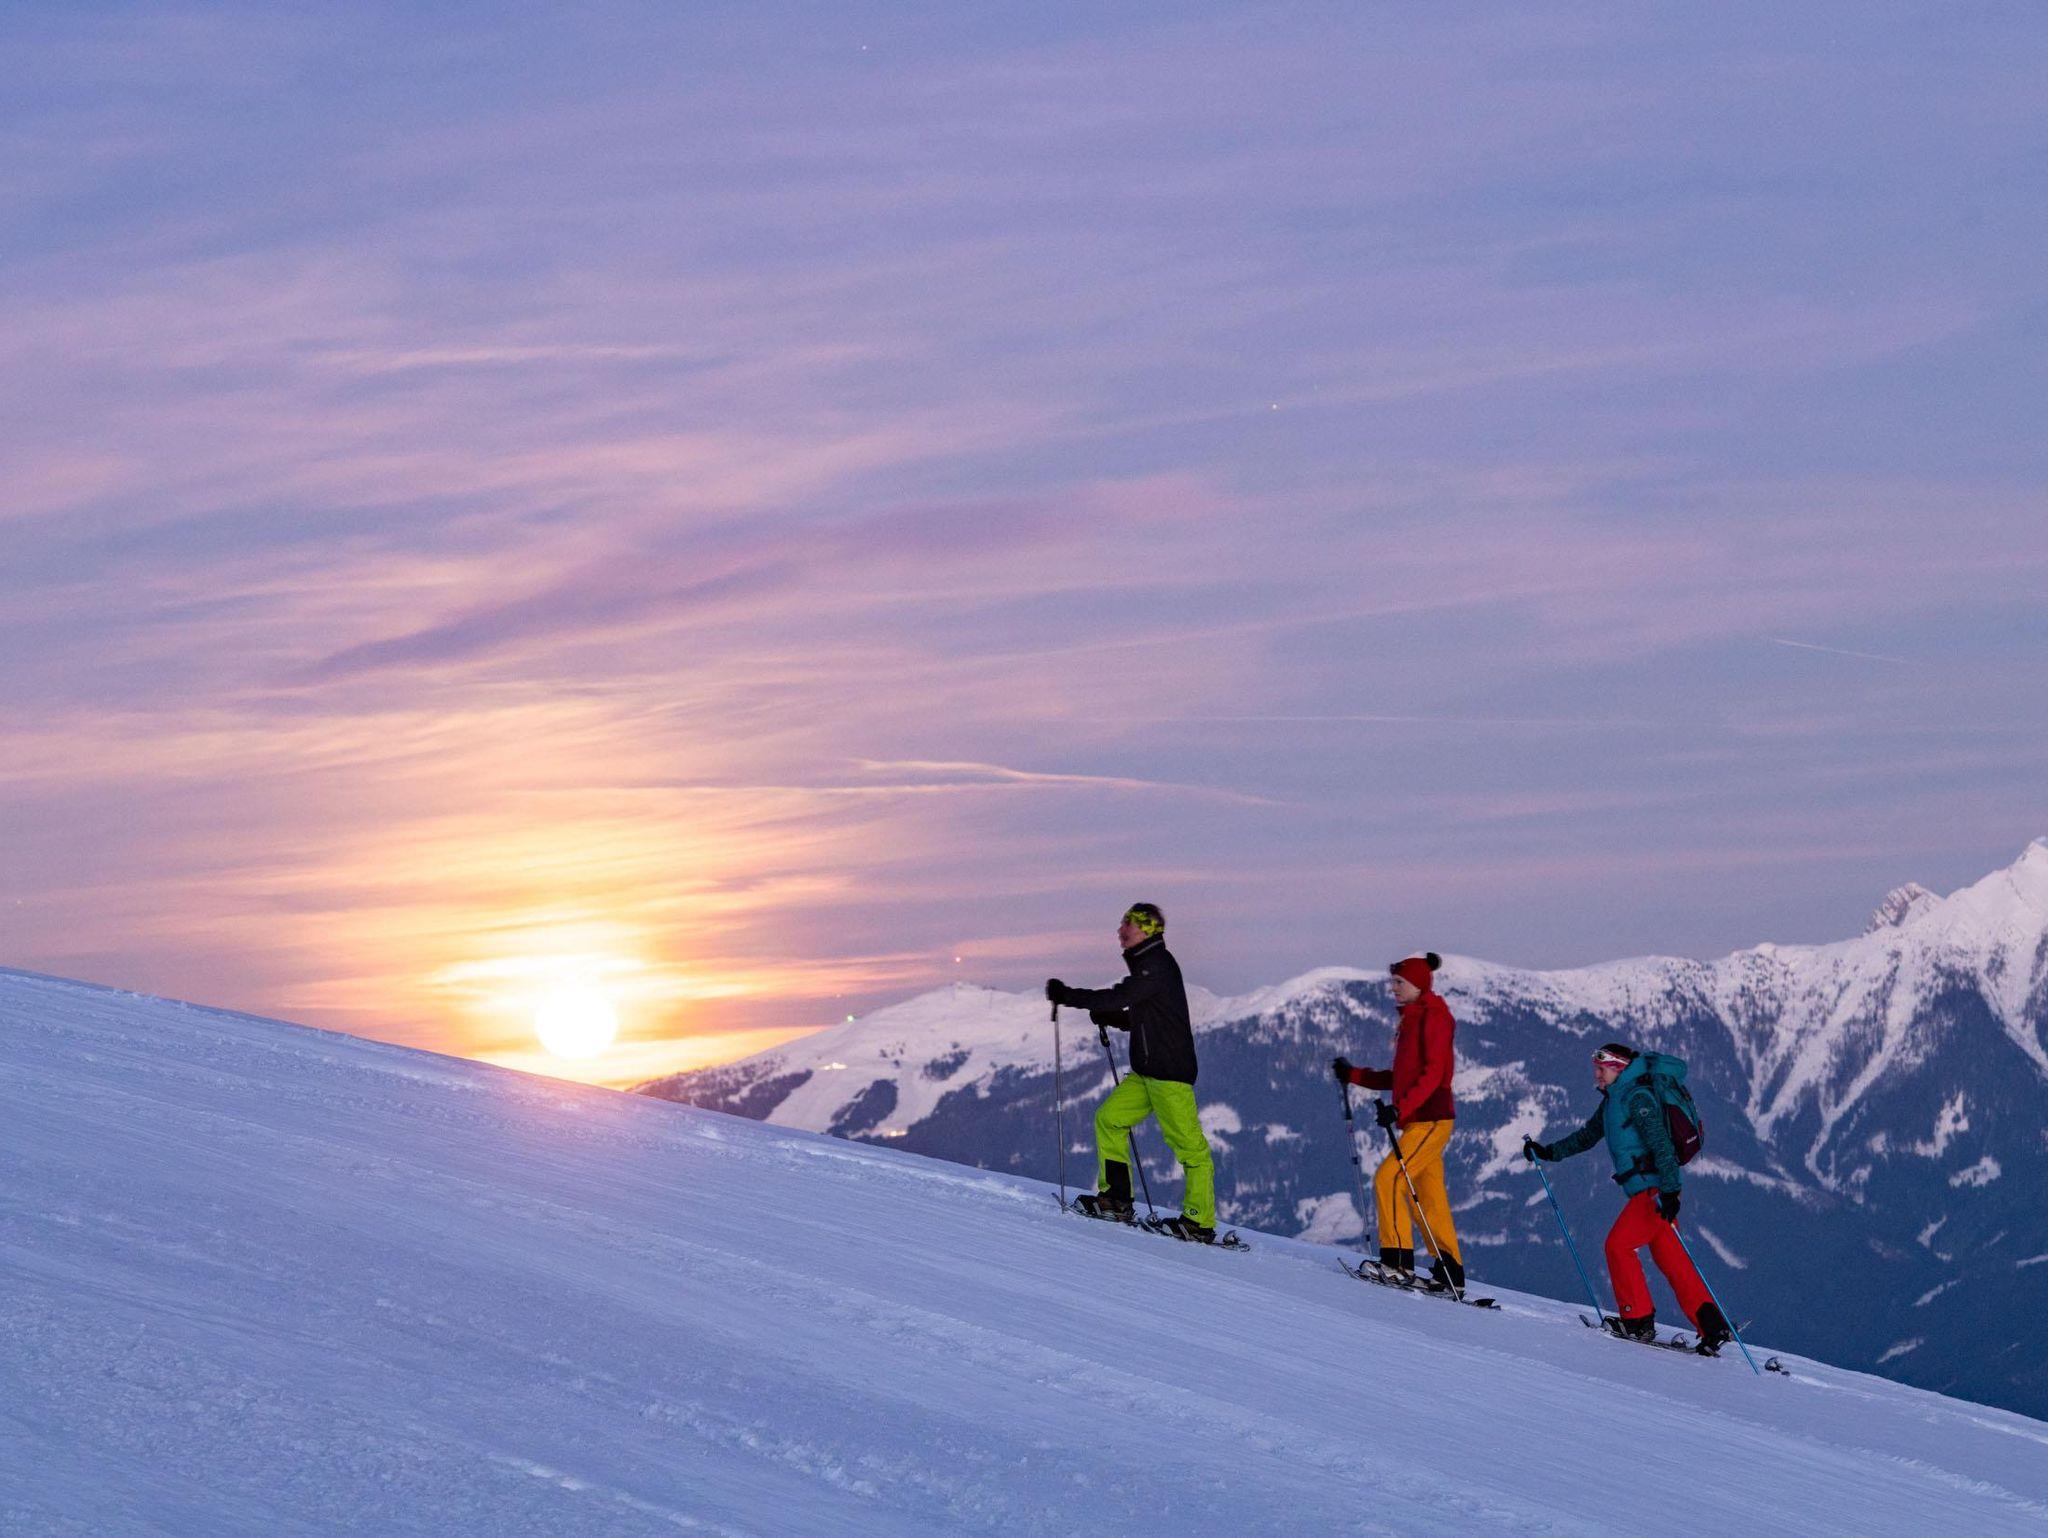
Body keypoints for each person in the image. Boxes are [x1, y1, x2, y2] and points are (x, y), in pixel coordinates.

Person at [1523, 1042, 1733, 1352]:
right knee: (1672, 1259)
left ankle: (1637, 1321)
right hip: (1653, 1190)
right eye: (1596, 1069)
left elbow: (1661, 1145)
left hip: (1654, 1191)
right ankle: (1712, 1326)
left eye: (1602, 1069)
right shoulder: (1614, 1100)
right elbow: (1587, 1136)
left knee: (1617, 1246)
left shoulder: (1637, 1097)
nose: (1596, 1075)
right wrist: (1548, 1152)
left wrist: (1670, 1191)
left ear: (1618, 1069)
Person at [1046, 903, 1217, 1242]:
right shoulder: (1148, 967)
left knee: (1190, 1147)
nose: (1120, 930)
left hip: (1169, 1074)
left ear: (1146, 930)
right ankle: (1117, 1199)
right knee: (1109, 1119)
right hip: (1147, 1073)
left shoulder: (1156, 965)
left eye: (1128, 924)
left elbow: (1119, 997)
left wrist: (1068, 996)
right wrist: (1115, 1019)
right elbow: (1147, 1017)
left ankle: (1199, 1222)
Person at [1331, 951, 1464, 1291]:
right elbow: (1403, 1077)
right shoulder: (1412, 1019)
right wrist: (1354, 1075)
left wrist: (1399, 1109)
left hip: (1430, 1118)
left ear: (1418, 984)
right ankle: (1450, 1271)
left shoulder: (1433, 1017)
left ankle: (1397, 1263)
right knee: (1429, 1197)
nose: (1393, 988)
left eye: (1399, 982)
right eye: (1393, 981)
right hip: (1421, 1119)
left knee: (1389, 1179)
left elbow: (1434, 1073)